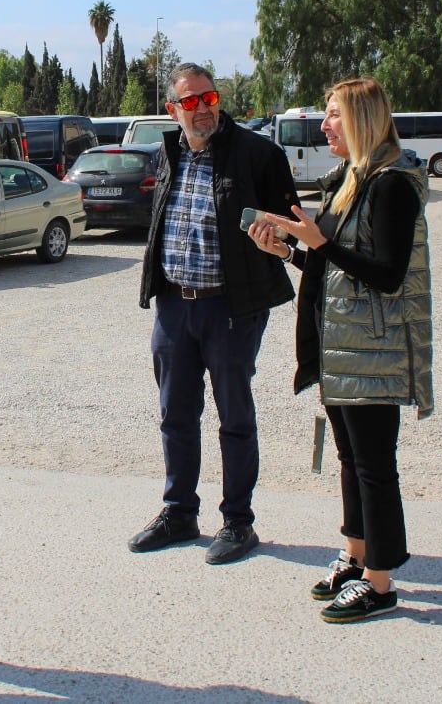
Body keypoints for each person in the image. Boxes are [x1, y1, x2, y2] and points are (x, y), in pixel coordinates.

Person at [248, 78, 433, 623]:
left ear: (360, 119)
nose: (323, 125)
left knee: (376, 466)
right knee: (351, 460)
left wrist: (321, 244)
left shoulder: (390, 185)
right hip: (342, 349)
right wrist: (288, 251)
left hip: (371, 352)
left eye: (332, 115)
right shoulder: (350, 180)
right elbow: (335, 273)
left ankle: (380, 582)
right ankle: (355, 556)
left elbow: (389, 276)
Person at [131, 64, 299, 565]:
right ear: (172, 109)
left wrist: (279, 240)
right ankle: (179, 512)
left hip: (231, 308)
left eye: (209, 98)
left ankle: (238, 522)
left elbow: (293, 226)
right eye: (190, 101)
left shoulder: (258, 154)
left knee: (234, 417)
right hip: (173, 308)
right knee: (175, 415)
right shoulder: (167, 153)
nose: (202, 108)